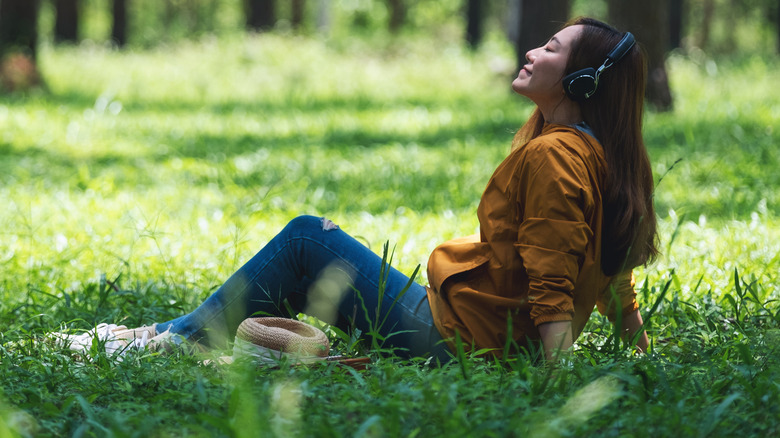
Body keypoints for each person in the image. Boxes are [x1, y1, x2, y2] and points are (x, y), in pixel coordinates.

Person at [60, 17, 657, 364]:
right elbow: (610, 269)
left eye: (551, 49)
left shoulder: (557, 157)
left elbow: (555, 273)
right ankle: (163, 334)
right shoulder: (597, 153)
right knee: (312, 243)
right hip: (468, 327)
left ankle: (163, 342)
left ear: (582, 79)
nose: (533, 50)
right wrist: (640, 350)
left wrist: (548, 386)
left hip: (457, 341)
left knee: (303, 238)